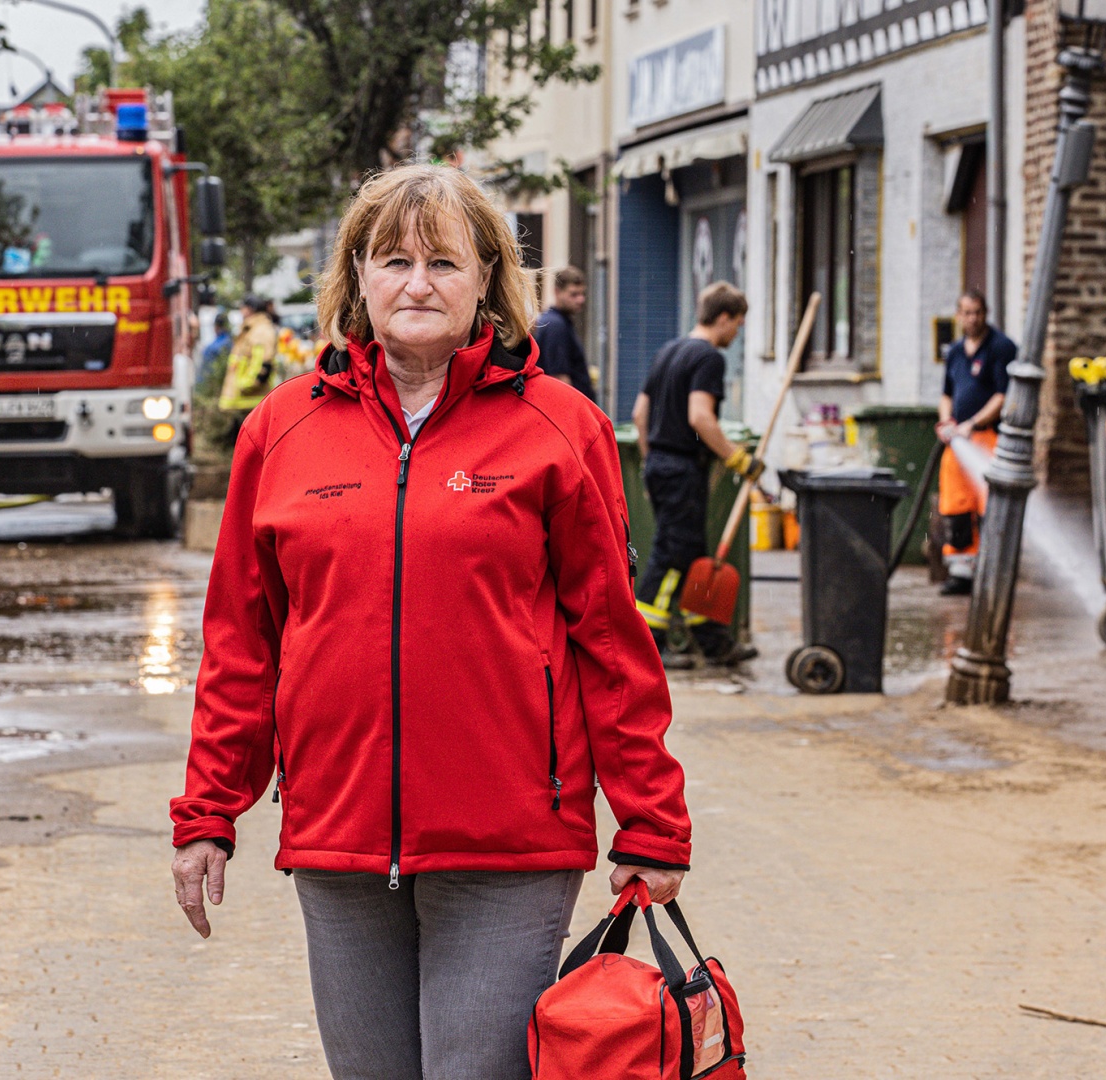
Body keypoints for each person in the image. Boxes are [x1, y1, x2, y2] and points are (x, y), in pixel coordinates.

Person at [170, 164, 692, 1080]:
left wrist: (651, 821)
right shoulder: (281, 432)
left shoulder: (558, 427)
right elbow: (242, 646)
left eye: (445, 262)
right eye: (395, 260)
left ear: (486, 279)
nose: (418, 284)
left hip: (513, 842)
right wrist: (210, 808)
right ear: (357, 277)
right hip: (340, 839)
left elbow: (611, 639)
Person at [631, 282, 759, 669]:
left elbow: (640, 413)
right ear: (723, 318)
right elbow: (700, 417)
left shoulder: (669, 351)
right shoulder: (708, 358)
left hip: (660, 462)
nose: (736, 334)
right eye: (737, 324)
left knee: (689, 554)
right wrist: (739, 460)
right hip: (683, 467)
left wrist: (650, 461)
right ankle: (650, 644)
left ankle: (712, 642)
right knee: (671, 557)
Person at [936, 289, 1016, 596]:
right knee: (955, 505)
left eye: (978, 312)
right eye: (967, 313)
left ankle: (992, 570)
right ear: (959, 315)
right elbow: (946, 393)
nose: (973, 318)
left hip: (988, 438)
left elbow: (1002, 394)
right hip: (957, 441)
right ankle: (960, 571)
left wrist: (974, 423)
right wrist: (947, 422)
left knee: (989, 507)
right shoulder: (955, 352)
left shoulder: (1001, 347)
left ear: (987, 313)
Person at [217, 295, 279, 440]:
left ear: (250, 309)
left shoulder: (260, 330)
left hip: (250, 396)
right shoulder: (252, 328)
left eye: (242, 308)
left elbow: (262, 362)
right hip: (246, 398)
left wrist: (247, 385)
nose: (240, 311)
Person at [534, 265, 595, 403]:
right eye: (574, 294)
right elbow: (560, 378)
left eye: (582, 294)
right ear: (557, 292)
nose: (580, 300)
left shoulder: (558, 322)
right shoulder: (556, 325)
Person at [198, 311, 232, 385]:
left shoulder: (211, 348)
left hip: (214, 385)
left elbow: (203, 374)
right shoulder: (233, 344)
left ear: (216, 327)